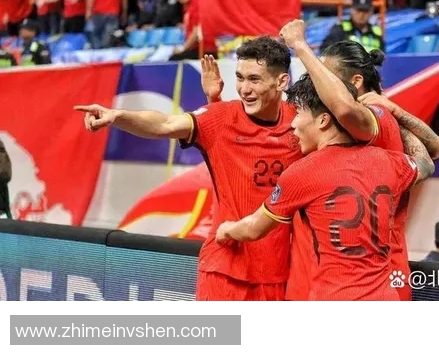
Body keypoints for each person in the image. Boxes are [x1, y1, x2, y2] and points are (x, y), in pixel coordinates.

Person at [74, 36, 303, 301]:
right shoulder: (220, 118)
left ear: (282, 82)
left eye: (254, 79)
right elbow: (165, 124)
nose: (244, 89)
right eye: (240, 78)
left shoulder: (300, 123)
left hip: (278, 274)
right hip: (225, 270)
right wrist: (118, 116)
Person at [215, 74, 433, 300]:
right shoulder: (389, 161)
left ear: (323, 120)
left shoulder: (303, 173)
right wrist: (394, 117)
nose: (293, 124)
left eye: (298, 114)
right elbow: (426, 163)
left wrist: (226, 230)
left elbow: (253, 229)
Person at [279, 19, 439, 301]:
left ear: (355, 83)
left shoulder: (372, 117)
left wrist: (299, 45)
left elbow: (345, 109)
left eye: (326, 75)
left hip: (372, 279)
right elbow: (435, 150)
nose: (318, 82)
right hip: (334, 277)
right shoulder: (344, 127)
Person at [319, 0, 384, 53]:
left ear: (371, 11)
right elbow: (325, 50)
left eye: (365, 11)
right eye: (358, 10)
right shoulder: (341, 28)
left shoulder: (376, 32)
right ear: (351, 10)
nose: (361, 14)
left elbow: (383, 56)